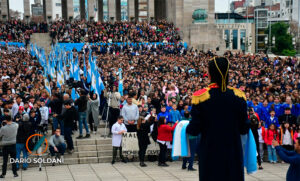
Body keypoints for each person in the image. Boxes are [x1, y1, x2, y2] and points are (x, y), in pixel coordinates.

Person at [186, 57, 249, 181]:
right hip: (233, 152)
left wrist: (183, 127)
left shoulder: (201, 96)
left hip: (210, 151)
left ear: (210, 74)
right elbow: (244, 128)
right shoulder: (238, 96)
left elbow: (194, 129)